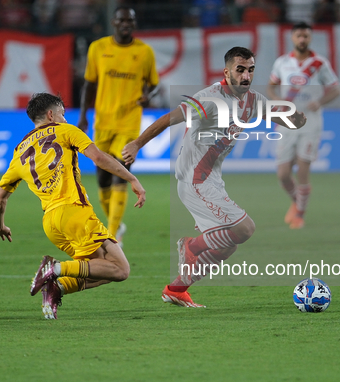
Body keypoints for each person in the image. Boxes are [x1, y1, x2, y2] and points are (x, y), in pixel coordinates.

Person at [122, 47, 306, 307]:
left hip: (213, 182)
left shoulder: (252, 100)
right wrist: (137, 144)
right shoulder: (210, 98)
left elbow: (275, 115)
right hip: (194, 182)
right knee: (244, 228)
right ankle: (191, 246)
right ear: (227, 72)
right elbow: (169, 118)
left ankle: (176, 289)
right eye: (240, 70)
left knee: (226, 246)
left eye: (250, 70)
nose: (246, 76)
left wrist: (294, 121)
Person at [0, 93, 146, 319]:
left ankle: (57, 287)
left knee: (102, 270)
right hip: (75, 213)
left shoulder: (19, 152)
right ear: (51, 114)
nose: (64, 118)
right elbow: (99, 158)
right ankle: (53, 269)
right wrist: (132, 179)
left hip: (51, 224)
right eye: (62, 114)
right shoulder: (65, 130)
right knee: (120, 270)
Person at [78, 6, 159, 248]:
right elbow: (89, 84)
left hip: (129, 122)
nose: (126, 23)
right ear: (113, 22)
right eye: (122, 19)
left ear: (134, 24)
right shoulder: (98, 48)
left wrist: (147, 96)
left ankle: (111, 234)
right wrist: (83, 116)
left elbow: (153, 84)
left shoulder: (144, 52)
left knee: (121, 172)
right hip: (103, 121)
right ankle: (116, 225)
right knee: (103, 177)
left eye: (130, 20)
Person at [268, 22, 340, 229]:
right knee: (282, 174)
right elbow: (271, 86)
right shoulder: (282, 62)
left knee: (302, 169)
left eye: (306, 36)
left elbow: (336, 89)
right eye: (299, 36)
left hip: (311, 122)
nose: (302, 40)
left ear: (310, 38)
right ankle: (296, 201)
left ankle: (300, 214)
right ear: (292, 38)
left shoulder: (319, 63)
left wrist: (319, 102)